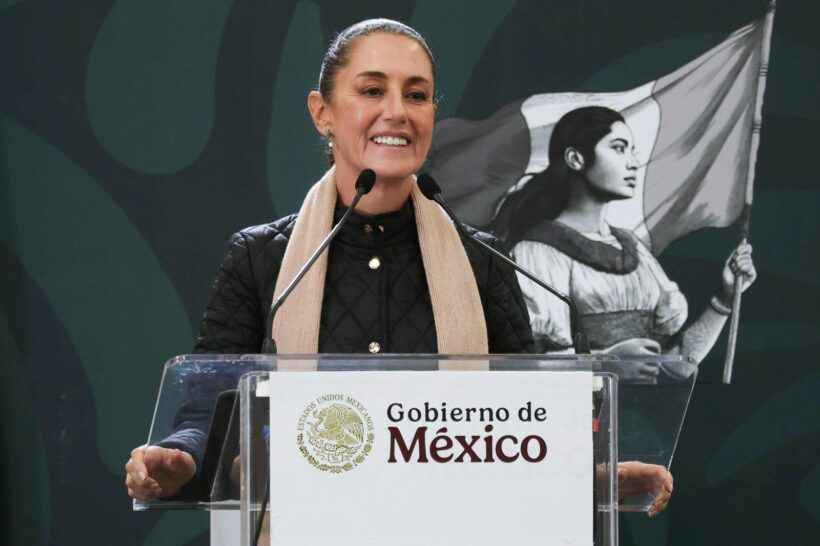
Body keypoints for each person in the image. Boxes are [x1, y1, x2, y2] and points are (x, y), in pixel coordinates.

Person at [125, 20, 672, 517]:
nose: (398, 112)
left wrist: (596, 478)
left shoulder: (484, 261)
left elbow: (525, 429)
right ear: (322, 112)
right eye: (371, 90)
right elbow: (208, 409)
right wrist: (179, 459)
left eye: (416, 95)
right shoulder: (262, 257)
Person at [494, 106, 757, 383]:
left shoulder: (635, 250)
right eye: (619, 148)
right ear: (575, 158)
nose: (632, 163)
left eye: (632, 151)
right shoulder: (538, 253)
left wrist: (724, 299)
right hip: (581, 410)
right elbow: (522, 367)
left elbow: (676, 365)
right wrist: (605, 363)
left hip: (643, 409)